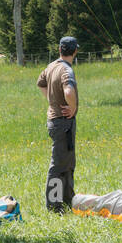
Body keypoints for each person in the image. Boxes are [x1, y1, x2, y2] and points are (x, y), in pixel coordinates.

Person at [36, 36, 79, 213]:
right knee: (58, 165)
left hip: (56, 121)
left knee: (67, 162)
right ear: (75, 51)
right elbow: (68, 90)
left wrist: (50, 100)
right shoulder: (66, 70)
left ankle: (69, 200)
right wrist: (73, 108)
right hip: (63, 123)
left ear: (60, 50)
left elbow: (40, 83)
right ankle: (54, 206)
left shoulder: (52, 66)